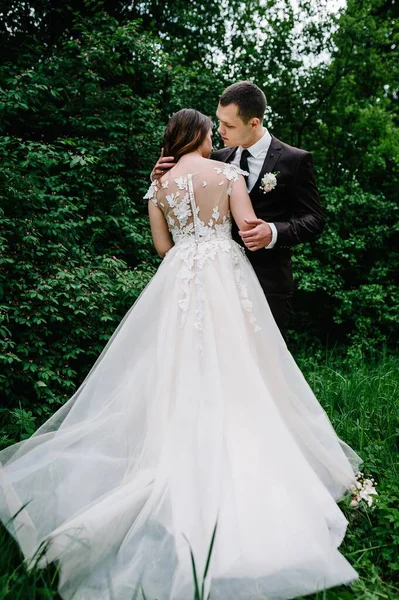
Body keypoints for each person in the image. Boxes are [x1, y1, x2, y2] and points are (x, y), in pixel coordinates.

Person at [0, 108, 361, 600]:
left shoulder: (158, 188)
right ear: (200, 136)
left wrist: (192, 243)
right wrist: (237, 228)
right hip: (224, 274)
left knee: (175, 366)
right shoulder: (229, 173)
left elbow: (162, 247)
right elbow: (248, 225)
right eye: (213, 132)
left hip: (179, 281)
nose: (217, 137)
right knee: (243, 366)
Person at [153, 81, 324, 341]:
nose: (219, 130)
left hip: (268, 282)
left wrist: (273, 231)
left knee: (267, 363)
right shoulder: (217, 158)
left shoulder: (294, 160)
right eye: (219, 122)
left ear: (253, 123)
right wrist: (159, 177)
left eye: (229, 125)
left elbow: (314, 219)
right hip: (214, 283)